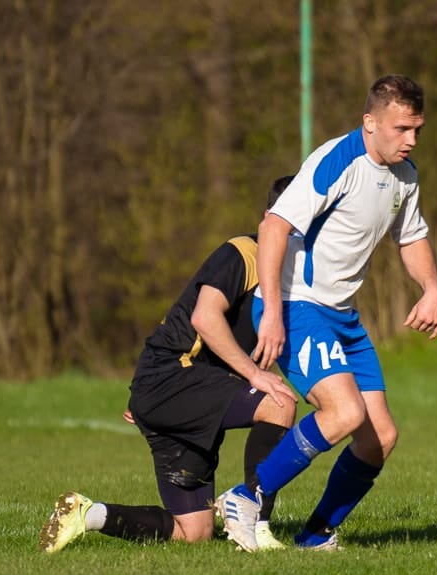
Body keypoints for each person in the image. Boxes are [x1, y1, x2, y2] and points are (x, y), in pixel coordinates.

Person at [214, 74, 437, 552]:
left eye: (417, 129)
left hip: (341, 314)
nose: (412, 139)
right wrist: (273, 311)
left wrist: (432, 288)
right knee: (343, 413)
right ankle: (245, 495)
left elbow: (412, 236)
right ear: (370, 122)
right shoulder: (337, 161)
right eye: (402, 128)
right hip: (299, 305)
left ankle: (315, 534)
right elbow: (273, 225)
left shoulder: (407, 176)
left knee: (378, 437)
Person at [39, 177, 300, 554]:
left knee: (193, 533)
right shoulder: (243, 252)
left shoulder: (297, 275)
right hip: (173, 378)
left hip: (173, 391)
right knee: (279, 405)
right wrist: (255, 375)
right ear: (268, 220)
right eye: (293, 222)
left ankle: (86, 513)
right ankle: (257, 526)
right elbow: (204, 320)